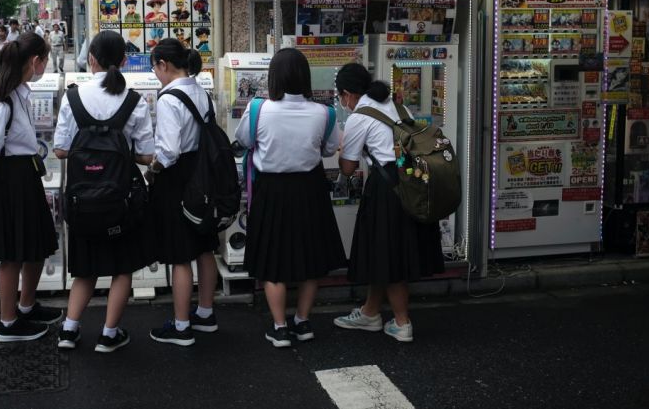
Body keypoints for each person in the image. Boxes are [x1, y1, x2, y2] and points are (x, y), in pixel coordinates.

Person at [234, 48, 345, 347]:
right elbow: (328, 149)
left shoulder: (258, 109)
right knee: (311, 257)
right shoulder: (325, 112)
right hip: (310, 190)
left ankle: (280, 326)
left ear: (274, 77)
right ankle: (303, 321)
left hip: (271, 190)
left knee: (272, 259)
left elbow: (244, 140)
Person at [54, 31, 154, 352]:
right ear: (124, 61)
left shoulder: (72, 97)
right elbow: (147, 155)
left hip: (82, 201)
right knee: (121, 268)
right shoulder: (134, 101)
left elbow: (60, 150)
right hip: (120, 202)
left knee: (85, 269)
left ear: (91, 59)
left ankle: (69, 330)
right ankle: (109, 335)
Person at [332, 63, 444, 343]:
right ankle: (370, 313)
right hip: (412, 182)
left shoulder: (360, 116)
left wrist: (342, 147)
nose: (341, 102)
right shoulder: (396, 106)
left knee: (391, 253)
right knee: (383, 251)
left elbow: (347, 168)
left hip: (387, 188)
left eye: (340, 97)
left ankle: (402, 322)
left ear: (347, 94)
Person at [0, 32, 61, 342]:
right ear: (35, 62)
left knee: (35, 246)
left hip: (23, 178)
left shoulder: (21, 93)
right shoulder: (4, 102)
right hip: (10, 182)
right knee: (12, 254)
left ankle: (26, 305)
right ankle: (7, 323)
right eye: (46, 60)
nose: (47, 65)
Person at [144, 38, 219, 346]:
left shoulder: (168, 98)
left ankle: (181, 326)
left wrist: (153, 169)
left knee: (180, 255)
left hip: (178, 180)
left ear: (164, 65)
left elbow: (169, 150)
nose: (156, 75)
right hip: (203, 176)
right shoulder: (201, 92)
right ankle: (205, 313)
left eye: (155, 68)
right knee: (204, 246)